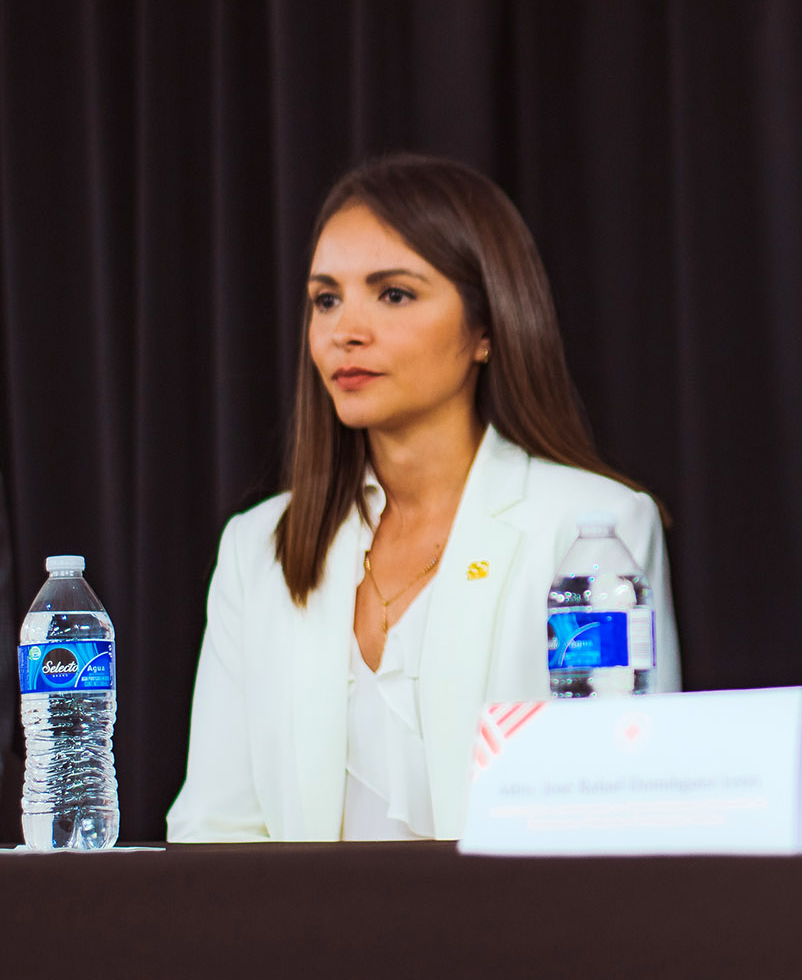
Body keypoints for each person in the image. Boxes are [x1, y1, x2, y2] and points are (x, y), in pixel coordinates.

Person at [167, 154, 679, 842]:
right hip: (296, 945)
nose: (346, 329)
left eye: (394, 294)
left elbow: (625, 809)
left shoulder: (593, 528)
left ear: (487, 328)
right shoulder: (257, 546)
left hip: (529, 940)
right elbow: (215, 827)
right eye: (326, 299)